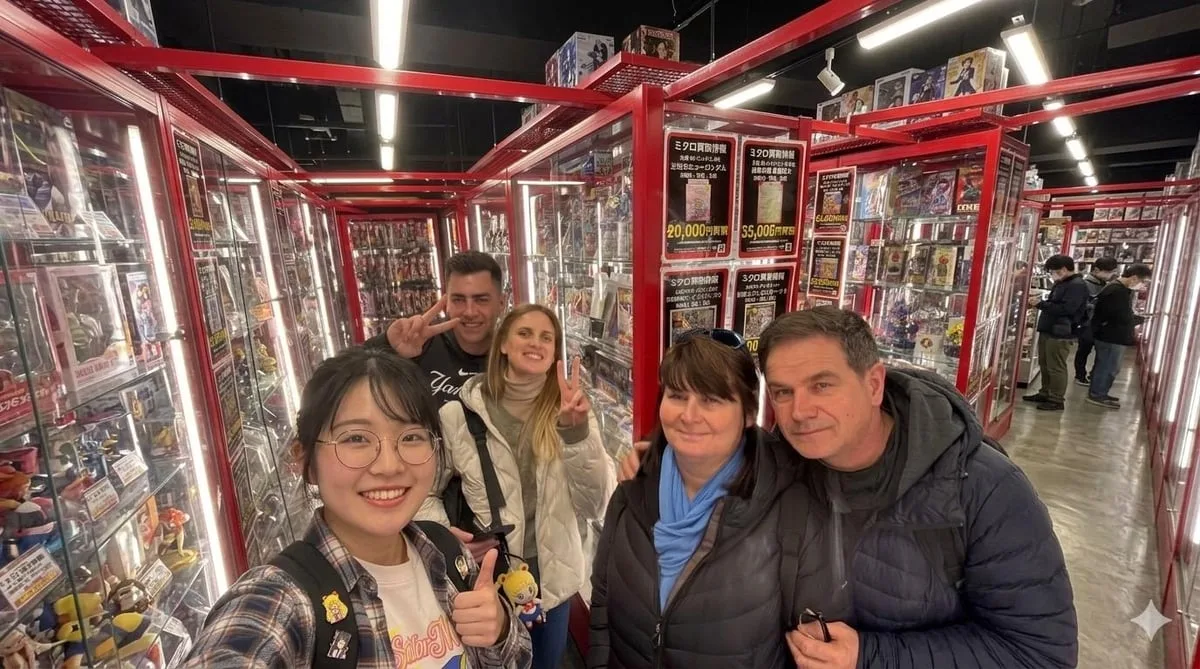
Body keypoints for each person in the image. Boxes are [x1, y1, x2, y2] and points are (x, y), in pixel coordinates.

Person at [761, 307, 1077, 669]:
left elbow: (1039, 654)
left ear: (874, 384)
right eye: (783, 392)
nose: (800, 411)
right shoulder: (772, 473)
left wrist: (870, 657)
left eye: (822, 385)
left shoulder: (984, 488)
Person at [185, 348, 531, 668]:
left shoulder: (444, 553)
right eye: (355, 439)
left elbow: (516, 657)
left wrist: (499, 628)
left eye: (411, 436)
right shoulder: (283, 601)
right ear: (304, 460)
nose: (388, 466)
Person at [420, 304, 615, 669]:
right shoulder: (458, 415)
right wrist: (449, 536)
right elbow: (423, 492)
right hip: (488, 580)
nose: (536, 343)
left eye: (547, 337)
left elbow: (597, 505)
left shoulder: (570, 410)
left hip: (553, 582)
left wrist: (577, 434)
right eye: (525, 333)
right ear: (504, 344)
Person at [589, 332, 796, 669]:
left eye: (711, 399)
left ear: (748, 413)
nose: (689, 414)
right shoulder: (633, 491)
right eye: (677, 395)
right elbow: (602, 605)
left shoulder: (782, 508)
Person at [367, 251, 506, 406]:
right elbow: (339, 377)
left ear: (501, 303)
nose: (470, 312)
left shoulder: (514, 354)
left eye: (481, 300)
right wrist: (386, 345)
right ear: (446, 303)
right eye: (458, 300)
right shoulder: (420, 344)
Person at [1023, 254, 1090, 412]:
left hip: (1061, 332)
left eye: (1053, 271)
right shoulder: (1064, 283)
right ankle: (1045, 392)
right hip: (1050, 329)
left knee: (1056, 366)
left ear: (1064, 269)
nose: (1052, 275)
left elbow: (1067, 309)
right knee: (1045, 364)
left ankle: (1056, 398)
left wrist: (1041, 304)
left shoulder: (1077, 285)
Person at [1087, 263, 1153, 409]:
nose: (1142, 286)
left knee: (1107, 365)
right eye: (1143, 282)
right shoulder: (1117, 291)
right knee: (1108, 367)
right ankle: (1097, 394)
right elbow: (1119, 316)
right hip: (1111, 336)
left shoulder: (1117, 289)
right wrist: (1139, 319)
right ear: (1134, 278)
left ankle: (1100, 392)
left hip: (1111, 335)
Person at [1074, 256, 1119, 386]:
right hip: (1087, 323)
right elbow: (1081, 304)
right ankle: (1080, 375)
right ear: (1096, 269)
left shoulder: (1105, 284)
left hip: (1100, 324)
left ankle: (1092, 376)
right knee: (1084, 350)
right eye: (1108, 271)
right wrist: (1095, 306)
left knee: (1099, 352)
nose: (1110, 275)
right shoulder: (1085, 284)